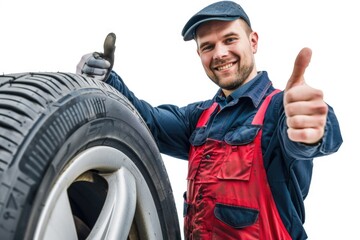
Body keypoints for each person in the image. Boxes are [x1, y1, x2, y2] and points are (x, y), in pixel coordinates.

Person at [76, 1, 343, 239]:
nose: (219, 54)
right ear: (200, 55)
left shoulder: (278, 110)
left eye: (230, 40)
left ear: (253, 41)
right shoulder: (199, 118)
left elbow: (313, 137)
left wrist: (313, 127)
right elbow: (147, 123)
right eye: (208, 46)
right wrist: (107, 80)